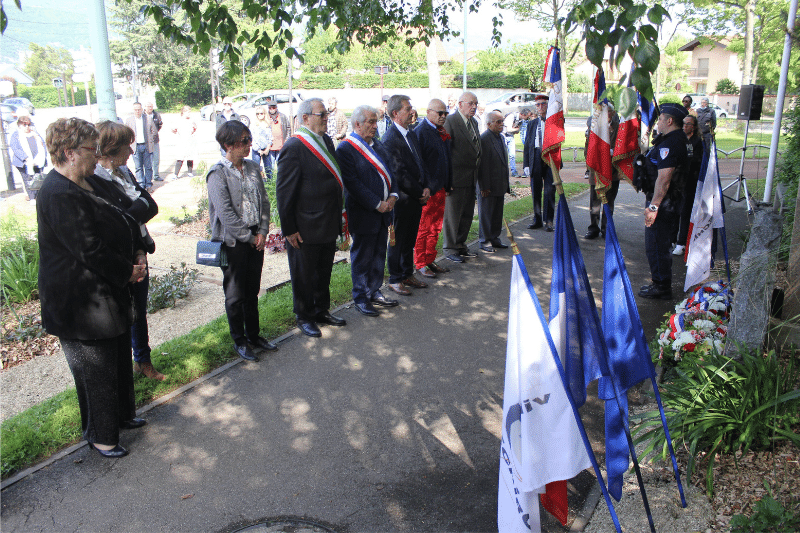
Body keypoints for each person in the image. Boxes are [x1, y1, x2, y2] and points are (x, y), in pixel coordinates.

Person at [38, 117, 147, 458]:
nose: (96, 155)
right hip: (79, 301)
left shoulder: (88, 182)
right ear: (69, 152)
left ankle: (122, 417)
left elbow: (127, 215)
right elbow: (88, 249)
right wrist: (127, 272)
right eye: (91, 149)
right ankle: (102, 436)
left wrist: (138, 249)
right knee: (96, 370)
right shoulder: (57, 193)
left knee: (116, 357)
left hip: (105, 290)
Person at [91, 120, 165, 381]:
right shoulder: (96, 180)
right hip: (120, 258)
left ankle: (142, 361)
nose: (132, 152)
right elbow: (118, 222)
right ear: (111, 149)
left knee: (139, 312)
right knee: (124, 315)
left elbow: (151, 205)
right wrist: (136, 209)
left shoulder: (125, 174)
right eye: (127, 146)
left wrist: (140, 249)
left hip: (138, 251)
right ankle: (125, 371)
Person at [207, 121, 278, 361]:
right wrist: (249, 237)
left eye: (249, 140)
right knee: (235, 295)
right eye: (243, 141)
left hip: (255, 237)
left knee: (252, 290)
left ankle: (254, 335)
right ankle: (239, 340)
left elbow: (264, 202)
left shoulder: (251, 166)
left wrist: (263, 231)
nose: (249, 145)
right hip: (234, 242)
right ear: (227, 145)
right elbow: (226, 214)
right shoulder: (217, 174)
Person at [277, 98, 347, 337]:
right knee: (304, 274)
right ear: (305, 118)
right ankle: (304, 315)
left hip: (327, 220)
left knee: (323, 270)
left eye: (326, 114)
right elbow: (284, 192)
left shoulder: (326, 140)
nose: (326, 118)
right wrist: (289, 229)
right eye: (321, 115)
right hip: (305, 225)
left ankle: (321, 310)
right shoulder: (294, 147)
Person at [336, 105, 400, 316]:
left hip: (385, 211)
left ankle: (374, 290)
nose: (375, 126)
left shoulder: (378, 146)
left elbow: (392, 174)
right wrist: (376, 203)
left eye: (375, 122)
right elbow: (352, 184)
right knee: (362, 257)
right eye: (370, 122)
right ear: (357, 124)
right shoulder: (346, 149)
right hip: (364, 213)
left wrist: (393, 196)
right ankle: (361, 297)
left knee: (379, 253)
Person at [380, 94, 431, 296]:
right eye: (407, 108)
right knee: (397, 240)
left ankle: (407, 273)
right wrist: (420, 192)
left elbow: (420, 163)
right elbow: (399, 173)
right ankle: (395, 279)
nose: (412, 111)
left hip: (416, 198)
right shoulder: (390, 139)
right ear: (395, 113)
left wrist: (426, 187)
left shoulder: (411, 133)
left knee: (409, 239)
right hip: (402, 200)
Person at [638, 103, 689, 300]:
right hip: (668, 201)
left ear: (669, 121)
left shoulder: (670, 143)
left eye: (659, 119)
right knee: (659, 243)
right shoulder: (675, 140)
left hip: (664, 203)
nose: (657, 122)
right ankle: (659, 281)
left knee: (657, 244)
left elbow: (664, 179)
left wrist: (653, 206)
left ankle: (661, 286)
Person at [414, 98, 453, 278]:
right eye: (440, 113)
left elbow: (446, 160)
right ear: (428, 112)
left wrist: (448, 182)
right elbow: (419, 164)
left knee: (435, 228)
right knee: (424, 228)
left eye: (445, 113)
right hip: (428, 191)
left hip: (441, 188)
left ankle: (430, 259)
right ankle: (420, 263)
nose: (443, 116)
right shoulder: (421, 132)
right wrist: (425, 187)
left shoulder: (440, 132)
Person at [442, 91, 481, 263]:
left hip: (471, 177)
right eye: (470, 103)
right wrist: (447, 180)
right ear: (460, 104)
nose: (474, 107)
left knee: (466, 214)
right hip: (455, 179)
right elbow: (445, 153)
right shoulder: (451, 121)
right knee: (453, 215)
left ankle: (460, 245)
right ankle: (449, 248)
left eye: (476, 104)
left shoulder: (473, 122)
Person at [584, 105, 621, 240]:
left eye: (608, 112)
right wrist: (590, 162)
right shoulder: (594, 127)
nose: (605, 115)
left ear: (613, 113)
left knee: (609, 202)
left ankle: (606, 229)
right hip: (597, 170)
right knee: (594, 202)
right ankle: (593, 228)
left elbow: (623, 147)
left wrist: (611, 152)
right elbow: (587, 146)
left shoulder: (619, 127)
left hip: (612, 172)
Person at [478, 111, 511, 252]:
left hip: (499, 184)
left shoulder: (501, 138)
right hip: (488, 186)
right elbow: (482, 165)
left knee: (497, 214)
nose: (501, 124)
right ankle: (485, 241)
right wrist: (484, 186)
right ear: (489, 124)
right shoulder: (484, 139)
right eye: (498, 122)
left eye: (502, 121)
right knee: (486, 215)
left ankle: (494, 238)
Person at [672, 114, 705, 256]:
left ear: (694, 127)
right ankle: (672, 240)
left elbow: (696, 162)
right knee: (674, 212)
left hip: (690, 183)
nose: (685, 126)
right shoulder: (679, 140)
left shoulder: (698, 142)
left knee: (685, 213)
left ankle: (681, 243)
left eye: (689, 124)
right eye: (684, 123)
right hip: (677, 181)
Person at [523, 94, 556, 231]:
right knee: (535, 190)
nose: (540, 107)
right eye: (538, 105)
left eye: (543, 104)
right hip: (535, 157)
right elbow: (527, 145)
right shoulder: (531, 124)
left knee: (549, 190)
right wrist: (526, 164)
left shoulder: (554, 122)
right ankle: (537, 219)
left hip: (550, 158)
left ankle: (549, 221)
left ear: (548, 105)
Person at [9, 110, 47, 200]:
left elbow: (43, 144)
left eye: (28, 125)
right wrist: (26, 158)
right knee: (28, 180)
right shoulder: (16, 135)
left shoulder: (35, 134)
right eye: (24, 125)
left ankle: (39, 197)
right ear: (19, 125)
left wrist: (42, 156)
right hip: (24, 163)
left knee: (38, 179)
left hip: (38, 161)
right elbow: (15, 148)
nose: (27, 127)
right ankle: (32, 198)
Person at [125, 102, 158, 190]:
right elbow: (126, 133)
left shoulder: (148, 118)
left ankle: (148, 185)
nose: (137, 111)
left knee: (148, 167)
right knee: (138, 167)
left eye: (139, 109)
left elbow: (154, 131)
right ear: (133, 110)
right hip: (135, 147)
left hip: (147, 146)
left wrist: (150, 140)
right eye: (135, 110)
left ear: (142, 109)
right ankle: (141, 185)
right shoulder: (129, 120)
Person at [169, 105, 197, 179]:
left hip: (190, 141)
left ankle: (190, 172)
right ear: (183, 112)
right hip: (181, 142)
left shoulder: (191, 120)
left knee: (190, 157)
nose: (189, 113)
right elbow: (173, 129)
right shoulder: (179, 120)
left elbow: (195, 128)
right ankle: (176, 174)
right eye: (188, 112)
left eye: (189, 112)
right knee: (180, 158)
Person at [266, 99, 290, 180]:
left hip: (281, 145)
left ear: (276, 108)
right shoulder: (266, 117)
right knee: (270, 167)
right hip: (270, 146)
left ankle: (281, 181)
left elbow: (288, 127)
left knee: (281, 165)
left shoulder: (282, 116)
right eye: (270, 108)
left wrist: (287, 139)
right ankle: (272, 182)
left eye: (274, 107)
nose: (272, 109)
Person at [250, 106, 273, 175]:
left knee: (269, 170)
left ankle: (270, 184)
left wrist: (267, 149)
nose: (259, 115)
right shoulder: (253, 125)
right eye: (257, 114)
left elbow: (270, 138)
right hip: (256, 150)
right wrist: (259, 150)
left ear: (264, 114)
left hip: (266, 149)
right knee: (256, 170)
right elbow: (252, 138)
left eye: (261, 113)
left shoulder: (268, 124)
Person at [144, 102, 163, 181]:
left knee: (156, 158)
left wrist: (153, 135)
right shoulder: (142, 116)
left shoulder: (156, 115)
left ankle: (156, 175)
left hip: (155, 140)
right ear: (145, 107)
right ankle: (148, 176)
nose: (150, 108)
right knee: (146, 159)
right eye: (148, 106)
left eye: (151, 106)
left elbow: (159, 125)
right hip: (145, 141)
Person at [502, 110, 520, 177]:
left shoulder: (519, 120)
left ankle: (514, 171)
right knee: (504, 155)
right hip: (504, 136)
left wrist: (516, 130)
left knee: (512, 155)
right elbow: (508, 129)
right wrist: (516, 129)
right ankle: (504, 172)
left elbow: (516, 131)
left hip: (511, 136)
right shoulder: (511, 116)